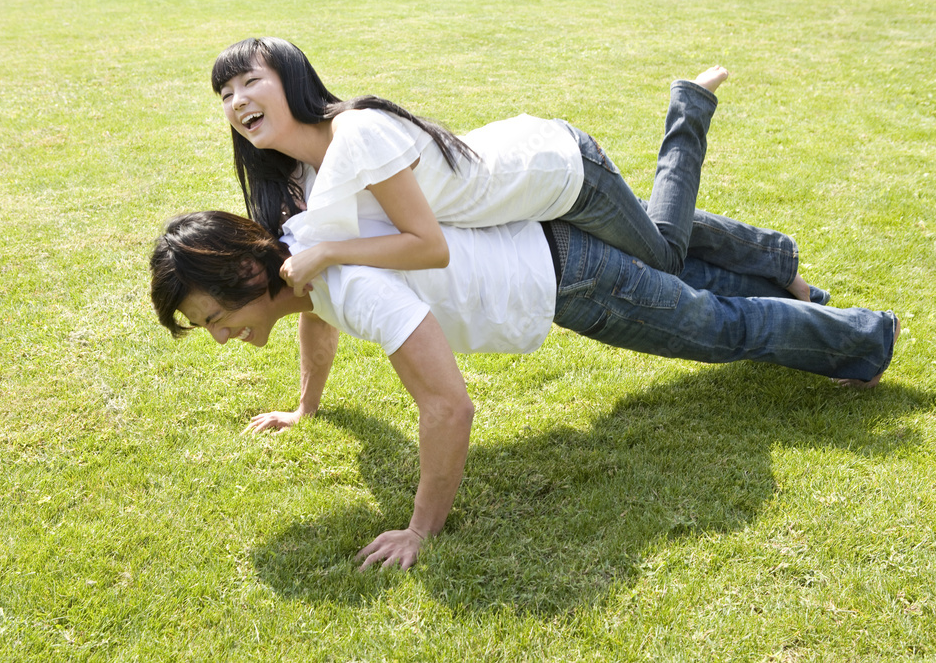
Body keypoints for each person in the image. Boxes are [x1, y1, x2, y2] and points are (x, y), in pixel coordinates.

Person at [150, 210, 898, 570]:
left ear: (247, 276)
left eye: (215, 318)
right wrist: (308, 404)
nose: (219, 337)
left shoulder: (348, 282)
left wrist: (420, 529)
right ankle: (797, 282)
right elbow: (315, 320)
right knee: (685, 289)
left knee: (720, 331)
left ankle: (867, 338)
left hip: (571, 281)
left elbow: (448, 405)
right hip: (554, 254)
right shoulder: (303, 259)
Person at [211, 37, 810, 301]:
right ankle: (790, 280)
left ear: (291, 78)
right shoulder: (302, 180)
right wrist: (306, 404)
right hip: (529, 187)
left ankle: (691, 108)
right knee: (655, 234)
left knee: (665, 259)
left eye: (249, 81)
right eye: (224, 93)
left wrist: (329, 254)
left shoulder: (357, 134)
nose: (236, 101)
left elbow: (429, 247)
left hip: (560, 172)